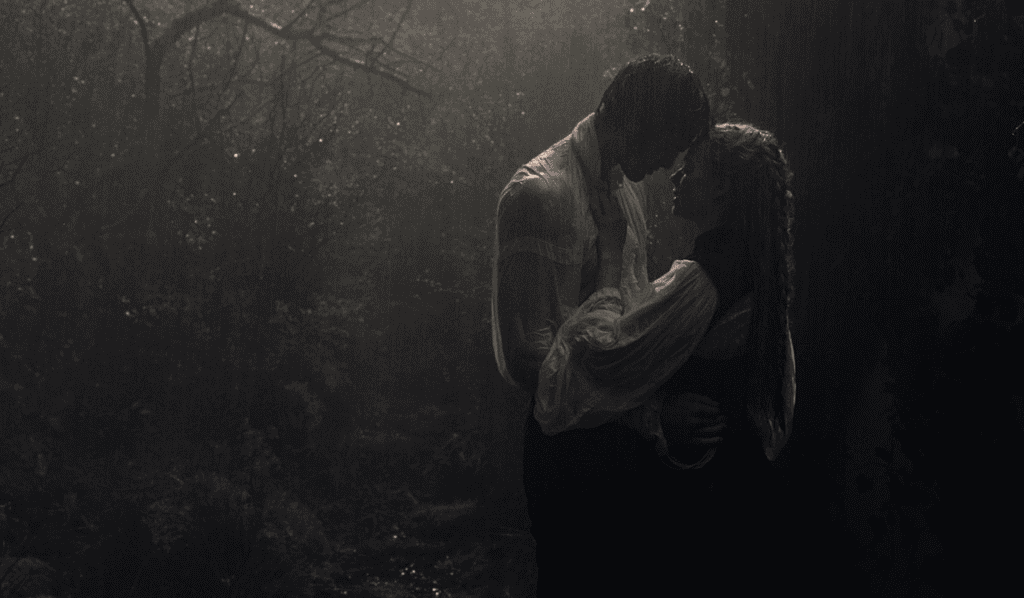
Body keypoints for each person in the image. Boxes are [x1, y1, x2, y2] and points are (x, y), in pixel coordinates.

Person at [487, 54, 724, 596]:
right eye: (670, 142)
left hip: (622, 451)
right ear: (639, 122)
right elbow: (529, 364)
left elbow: (625, 327)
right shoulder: (539, 195)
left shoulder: (625, 186)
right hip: (569, 458)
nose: (670, 162)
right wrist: (653, 415)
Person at [535, 121, 797, 593]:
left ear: (722, 190)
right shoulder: (750, 263)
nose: (675, 175)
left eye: (690, 168)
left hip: (703, 507)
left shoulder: (706, 278)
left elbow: (604, 357)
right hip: (733, 493)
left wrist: (610, 255)